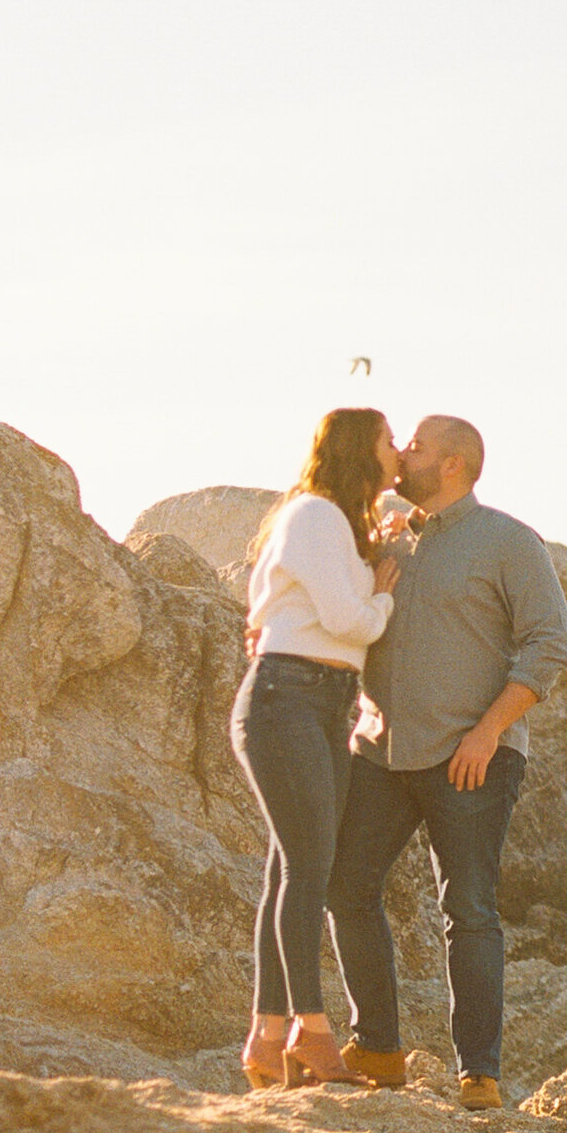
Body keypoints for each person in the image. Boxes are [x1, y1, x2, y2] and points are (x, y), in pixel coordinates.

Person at [326, 411, 567, 1108]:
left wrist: (488, 732)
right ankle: (376, 1045)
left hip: (473, 755)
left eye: (418, 446)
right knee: (345, 885)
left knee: (466, 908)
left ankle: (479, 1075)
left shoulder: (508, 541)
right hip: (381, 751)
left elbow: (550, 644)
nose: (404, 454)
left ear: (455, 464)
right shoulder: (388, 539)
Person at [232, 408, 401, 1089]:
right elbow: (349, 621)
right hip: (288, 697)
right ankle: (313, 1028)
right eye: (390, 442)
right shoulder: (316, 516)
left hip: (323, 702)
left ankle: (267, 1040)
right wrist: (382, 596)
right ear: (363, 449)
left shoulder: (335, 523)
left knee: (290, 869)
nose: (398, 454)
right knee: (306, 871)